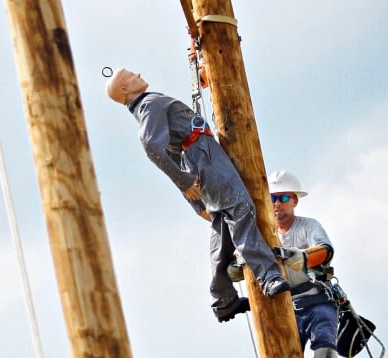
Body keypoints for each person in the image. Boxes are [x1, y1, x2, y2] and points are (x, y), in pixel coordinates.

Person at [105, 67, 290, 322]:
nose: (138, 73)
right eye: (130, 75)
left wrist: (191, 195)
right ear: (124, 90)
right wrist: (184, 183)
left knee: (222, 226)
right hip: (204, 157)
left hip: (198, 158)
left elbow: (168, 153)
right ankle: (268, 277)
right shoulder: (149, 105)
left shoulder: (149, 108)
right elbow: (152, 147)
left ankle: (223, 298)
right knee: (239, 210)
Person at [256, 170, 338, 358]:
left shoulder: (308, 226)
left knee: (323, 339)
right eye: (272, 199)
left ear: (295, 201)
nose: (277, 204)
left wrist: (301, 257)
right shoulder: (265, 233)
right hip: (288, 306)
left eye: (282, 197)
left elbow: (325, 251)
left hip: (317, 299)